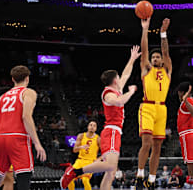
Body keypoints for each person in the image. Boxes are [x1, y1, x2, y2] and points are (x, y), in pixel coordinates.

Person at [60, 46, 141, 189]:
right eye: (118, 77)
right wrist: (131, 92)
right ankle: (75, 171)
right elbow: (120, 101)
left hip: (116, 132)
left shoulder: (116, 89)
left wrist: (132, 59)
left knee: (111, 171)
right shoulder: (108, 94)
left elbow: (126, 74)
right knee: (110, 166)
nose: (120, 79)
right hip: (111, 131)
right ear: (115, 80)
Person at [0, 65, 46, 190]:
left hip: (1, 139)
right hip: (18, 138)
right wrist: (37, 143)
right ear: (27, 78)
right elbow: (26, 116)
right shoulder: (28, 92)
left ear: (13, 79)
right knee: (24, 178)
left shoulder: (3, 97)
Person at [136, 17, 173, 190]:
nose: (156, 58)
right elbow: (144, 51)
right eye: (154, 57)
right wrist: (145, 30)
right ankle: (139, 175)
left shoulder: (167, 69)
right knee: (147, 143)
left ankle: (151, 180)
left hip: (162, 108)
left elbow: (166, 52)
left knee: (157, 147)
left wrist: (163, 33)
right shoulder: (147, 69)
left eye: (158, 57)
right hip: (148, 106)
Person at [67, 120, 100, 190]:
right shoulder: (81, 136)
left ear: (96, 128)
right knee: (69, 178)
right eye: (91, 125)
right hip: (80, 161)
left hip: (90, 162)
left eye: (94, 126)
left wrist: (99, 159)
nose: (92, 127)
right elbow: (74, 150)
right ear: (88, 127)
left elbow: (104, 151)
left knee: (85, 180)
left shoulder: (98, 139)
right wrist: (81, 147)